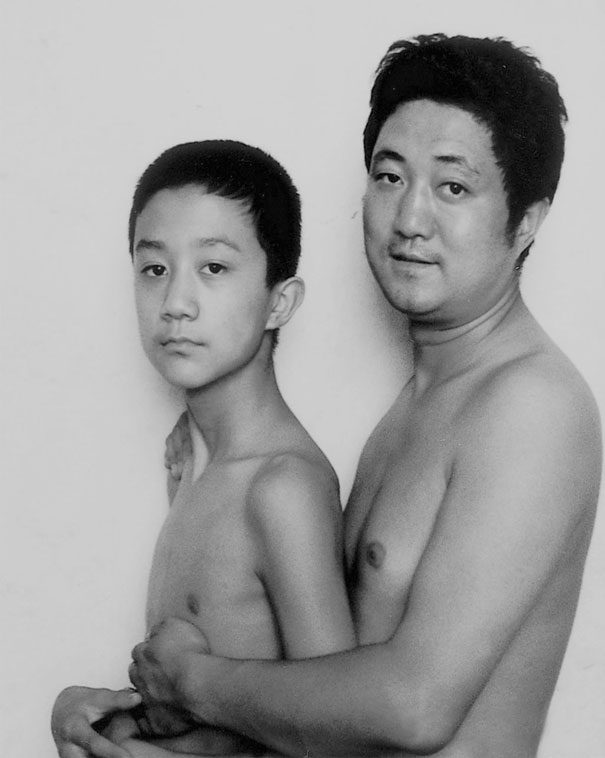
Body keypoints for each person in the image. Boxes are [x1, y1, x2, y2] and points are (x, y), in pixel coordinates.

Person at [54, 33, 602, 758]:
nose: (409, 219)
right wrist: (116, 723)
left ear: (526, 220)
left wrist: (190, 681)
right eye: (389, 176)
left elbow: (415, 708)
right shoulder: (412, 412)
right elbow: (315, 704)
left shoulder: (532, 406)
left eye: (452, 187)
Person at [51, 140, 355, 758]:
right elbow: (198, 715)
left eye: (213, 267)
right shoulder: (193, 465)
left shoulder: (281, 488)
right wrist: (88, 718)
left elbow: (340, 739)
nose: (175, 305)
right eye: (154, 269)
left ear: (280, 302)